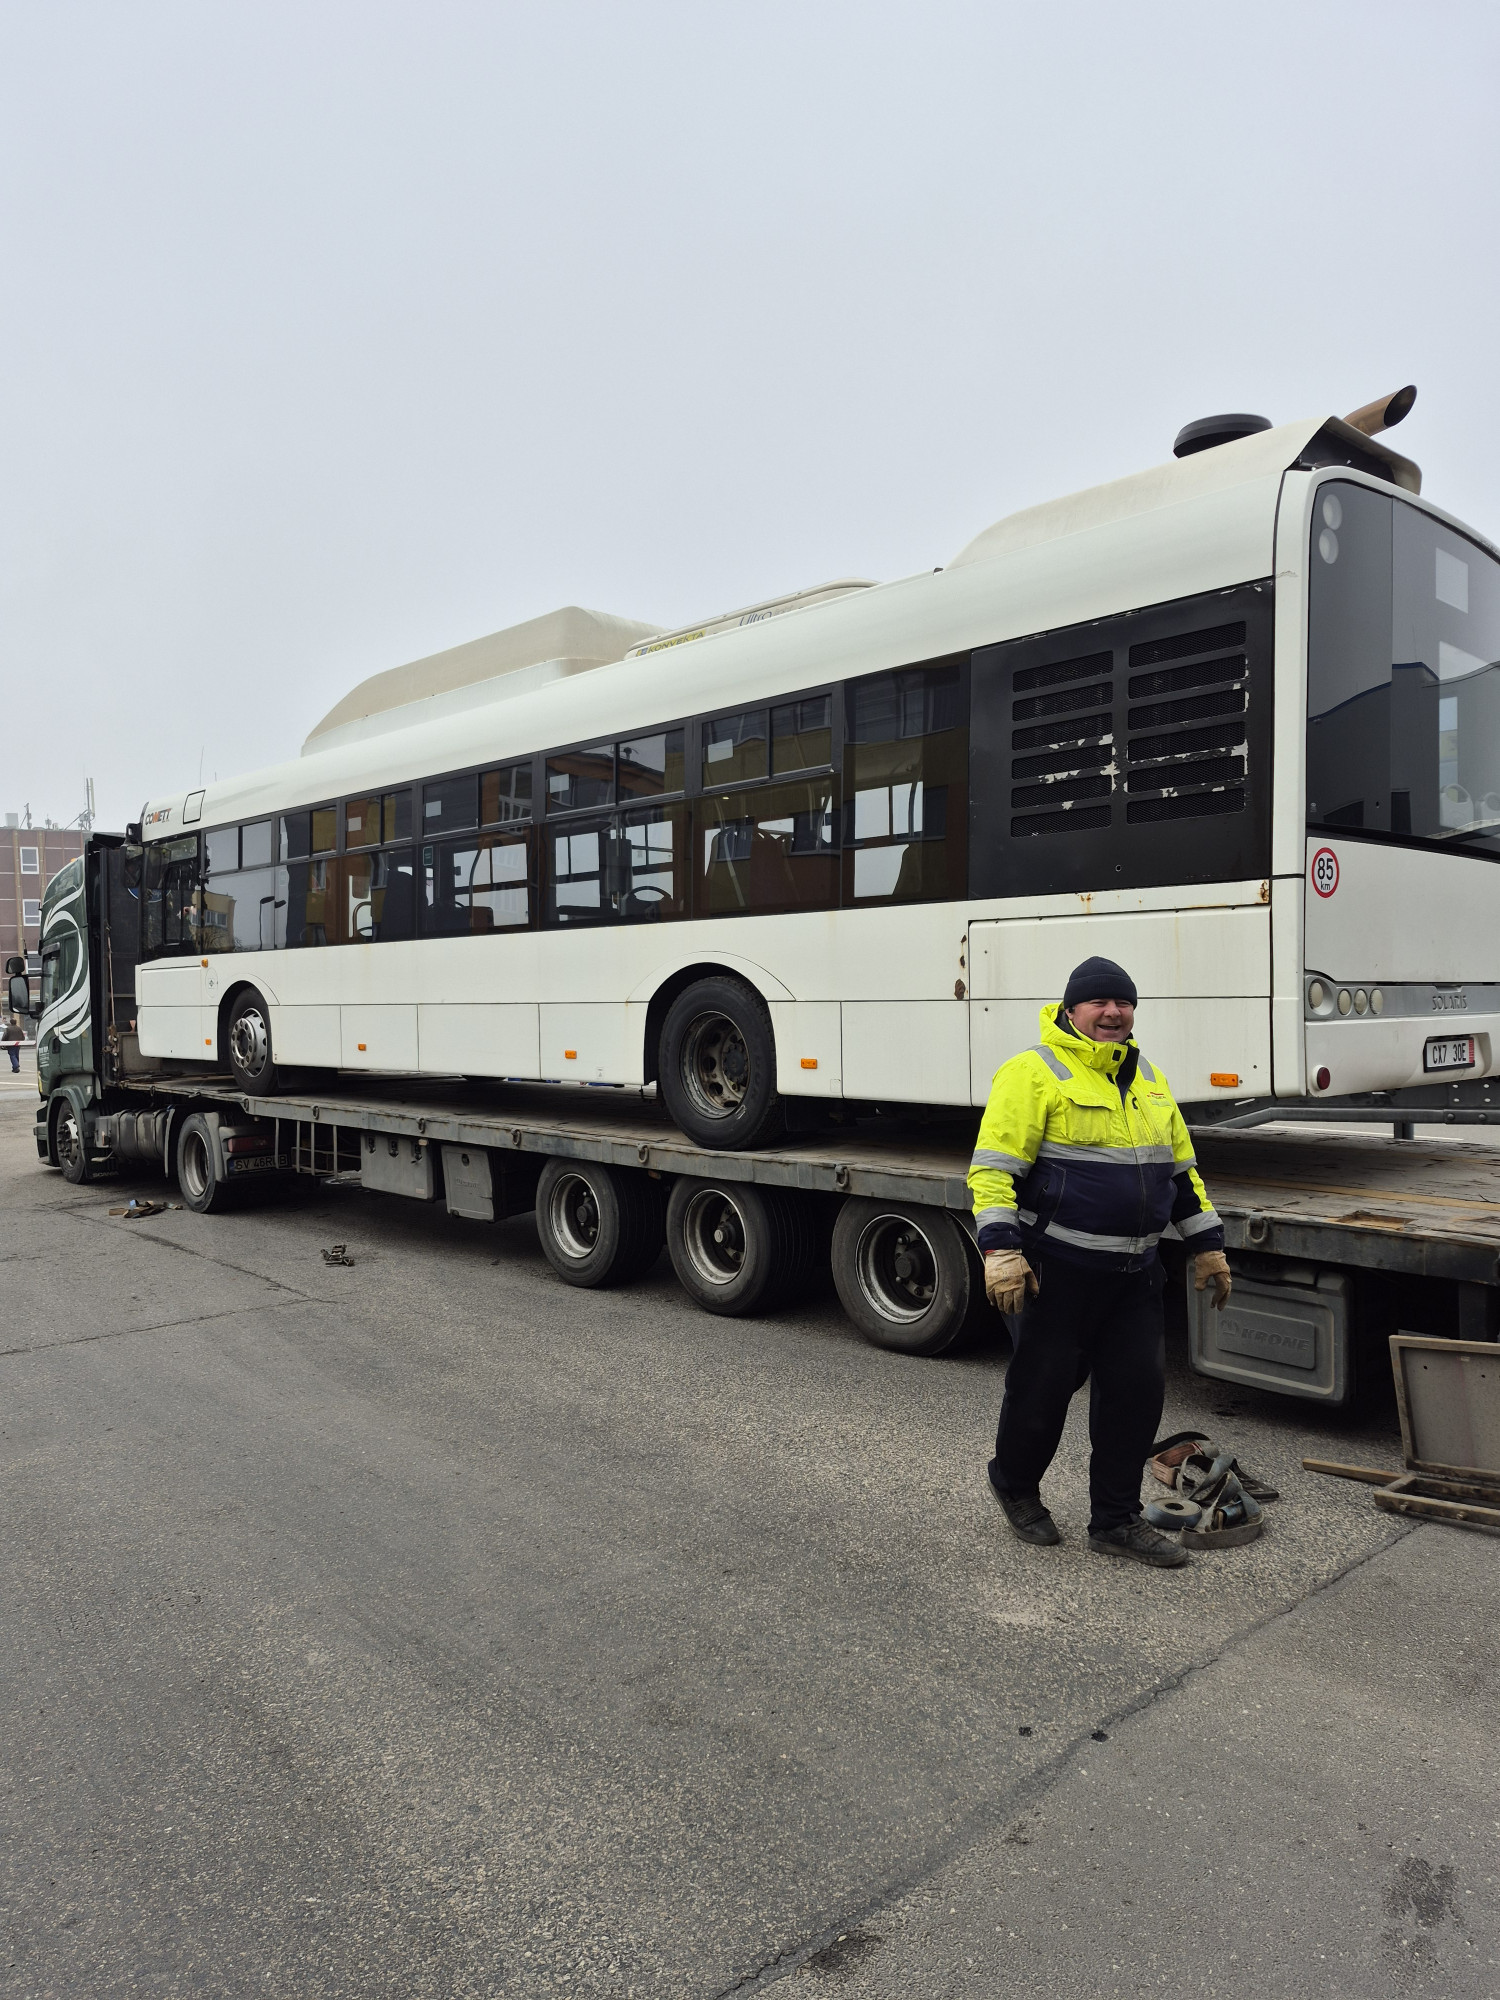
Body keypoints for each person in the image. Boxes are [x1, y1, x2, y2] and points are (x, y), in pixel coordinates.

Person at [968, 956, 1232, 1569]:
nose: (1113, 1012)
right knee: (1041, 1394)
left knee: (1134, 1399)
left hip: (1135, 1276)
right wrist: (1001, 1250)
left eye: (1124, 1002)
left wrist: (1207, 1245)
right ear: (1071, 1010)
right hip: (1056, 1273)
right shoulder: (1032, 1072)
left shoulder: (1150, 1080)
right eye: (1099, 1002)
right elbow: (994, 1169)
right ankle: (1015, 1484)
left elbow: (1180, 1174)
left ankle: (1115, 1521)